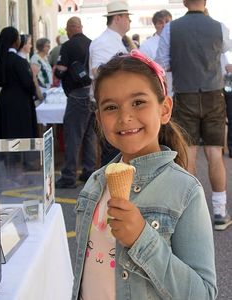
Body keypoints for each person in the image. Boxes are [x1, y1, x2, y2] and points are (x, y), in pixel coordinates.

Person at [72, 50, 217, 300]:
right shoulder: (94, 184)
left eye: (138, 102)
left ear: (165, 109)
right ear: (99, 119)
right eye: (111, 107)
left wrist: (142, 238)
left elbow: (203, 293)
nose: (125, 116)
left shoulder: (185, 191)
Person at [156, 0, 232, 230]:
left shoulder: (171, 28)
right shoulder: (219, 27)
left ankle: (188, 213)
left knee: (187, 154)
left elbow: (162, 63)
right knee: (214, 153)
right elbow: (224, 56)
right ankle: (219, 212)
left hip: (185, 93)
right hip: (213, 94)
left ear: (184, 2)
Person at [54, 16, 96, 188]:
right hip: (93, 94)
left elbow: (61, 70)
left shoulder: (68, 45)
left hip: (77, 94)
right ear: (81, 27)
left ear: (70, 28)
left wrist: (61, 73)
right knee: (89, 136)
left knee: (73, 135)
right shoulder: (92, 44)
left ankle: (69, 176)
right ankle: (88, 172)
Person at [89, 0, 132, 166]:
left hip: (116, 103)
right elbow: (97, 72)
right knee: (112, 153)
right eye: (127, 17)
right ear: (118, 18)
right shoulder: (104, 41)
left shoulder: (115, 40)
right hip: (111, 104)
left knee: (117, 151)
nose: (129, 21)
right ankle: (108, 189)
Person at [0, 26, 37, 138]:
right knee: (20, 137)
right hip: (19, 103)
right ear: (15, 41)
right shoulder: (19, 61)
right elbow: (28, 84)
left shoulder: (2, 60)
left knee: (6, 135)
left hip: (4, 101)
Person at [139, 10, 173, 96]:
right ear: (155, 25)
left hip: (179, 90)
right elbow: (143, 69)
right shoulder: (146, 45)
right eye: (160, 22)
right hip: (159, 90)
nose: (164, 25)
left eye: (167, 22)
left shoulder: (179, 41)